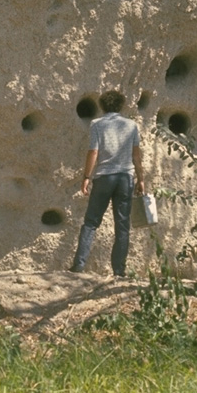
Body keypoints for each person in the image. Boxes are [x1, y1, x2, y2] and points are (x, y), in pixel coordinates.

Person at [69, 90, 145, 276]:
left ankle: (79, 265)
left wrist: (86, 176)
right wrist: (141, 179)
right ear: (121, 105)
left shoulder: (97, 124)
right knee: (122, 225)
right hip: (125, 179)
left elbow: (93, 152)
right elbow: (136, 155)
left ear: (102, 106)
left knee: (91, 222)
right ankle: (119, 271)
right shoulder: (131, 125)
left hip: (104, 177)